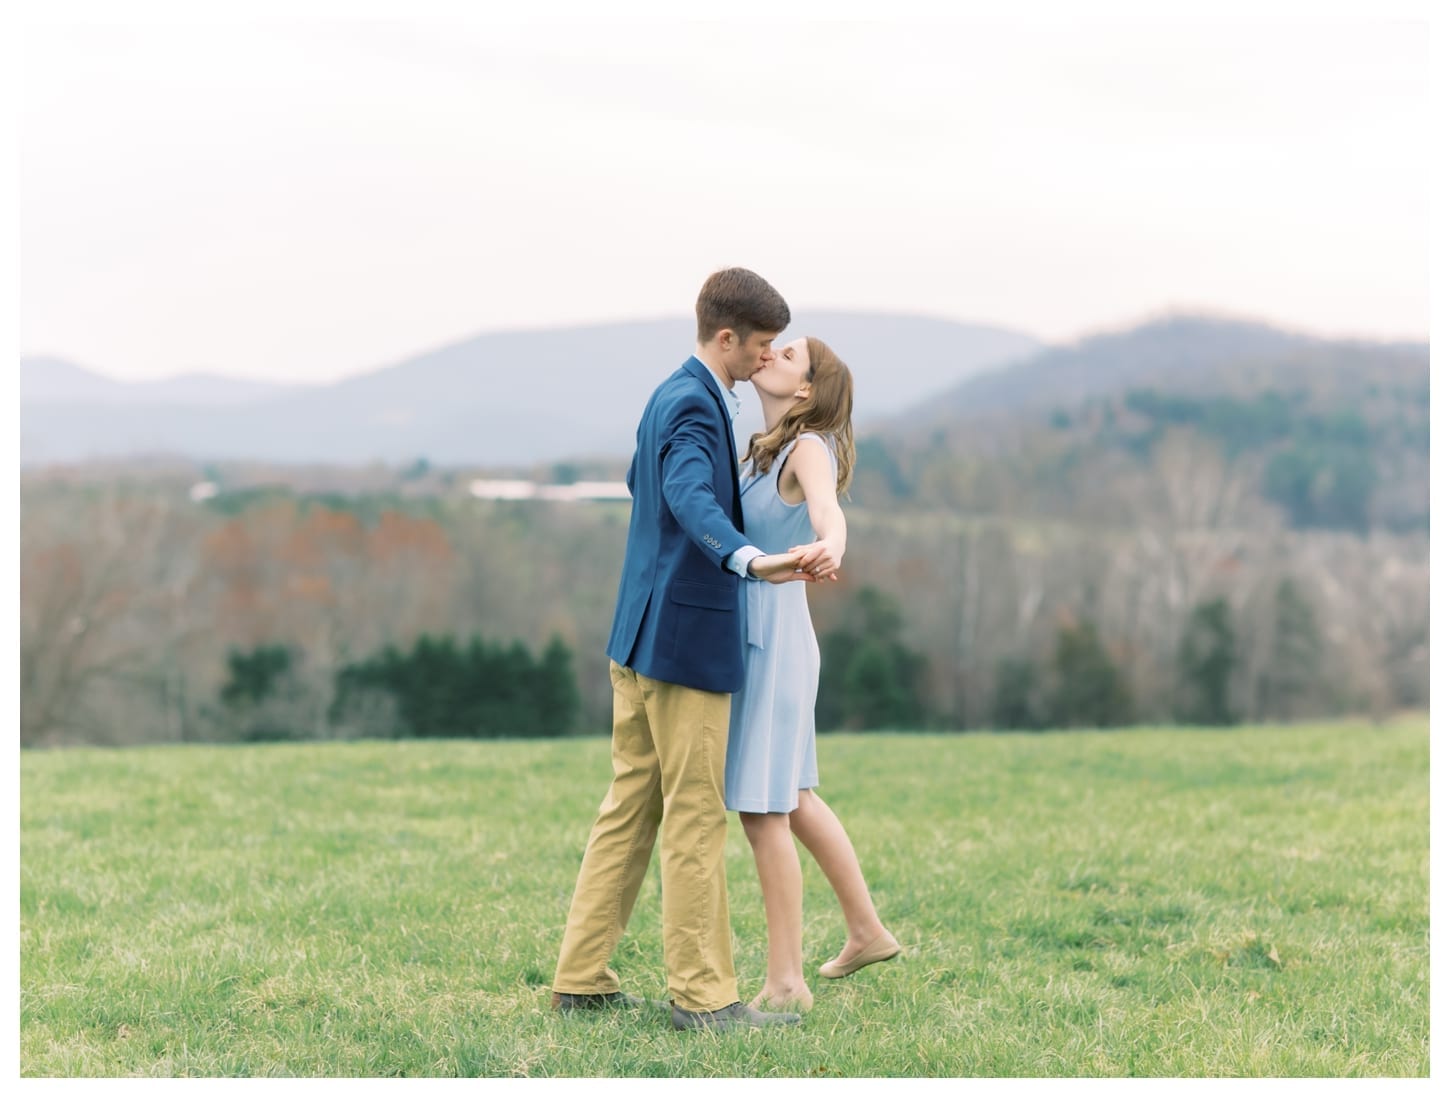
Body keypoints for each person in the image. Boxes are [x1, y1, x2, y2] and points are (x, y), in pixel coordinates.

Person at [550, 268, 812, 1032]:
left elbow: (646, 482)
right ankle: (704, 999)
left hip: (636, 638)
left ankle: (582, 980)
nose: (766, 359)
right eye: (760, 346)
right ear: (725, 337)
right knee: (694, 817)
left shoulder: (670, 393)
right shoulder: (699, 407)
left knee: (629, 809)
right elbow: (689, 495)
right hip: (683, 647)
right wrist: (748, 558)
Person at [724, 335, 901, 1013]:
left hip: (773, 636)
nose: (770, 353)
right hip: (768, 634)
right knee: (789, 798)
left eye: (789, 353)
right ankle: (865, 930)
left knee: (765, 808)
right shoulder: (763, 448)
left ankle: (786, 982)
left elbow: (828, 510)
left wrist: (833, 543)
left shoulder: (806, 448)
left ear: (806, 389)